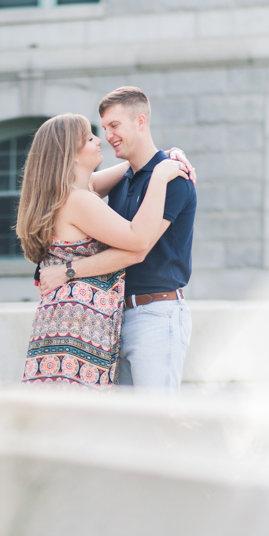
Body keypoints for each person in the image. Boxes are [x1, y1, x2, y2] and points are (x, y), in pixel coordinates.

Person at [38, 87, 197, 394]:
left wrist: (68, 270)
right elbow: (69, 183)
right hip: (115, 319)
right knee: (125, 429)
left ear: (140, 121)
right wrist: (169, 152)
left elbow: (137, 248)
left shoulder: (172, 181)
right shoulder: (123, 180)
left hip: (156, 315)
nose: (107, 136)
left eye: (114, 126)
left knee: (157, 423)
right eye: (103, 128)